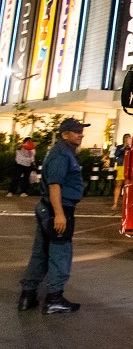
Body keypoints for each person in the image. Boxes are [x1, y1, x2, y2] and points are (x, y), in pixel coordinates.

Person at [18, 117, 89, 314]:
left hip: (47, 208)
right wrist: (59, 215)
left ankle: (28, 296)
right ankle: (54, 298)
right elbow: (55, 185)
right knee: (60, 253)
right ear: (65, 134)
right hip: (58, 208)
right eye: (76, 131)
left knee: (40, 253)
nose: (81, 134)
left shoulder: (61, 151)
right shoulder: (62, 154)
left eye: (81, 130)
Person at [110, 133, 131, 211]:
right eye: (126, 137)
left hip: (129, 166)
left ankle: (126, 203)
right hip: (121, 166)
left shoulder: (132, 147)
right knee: (118, 184)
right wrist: (123, 147)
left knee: (127, 185)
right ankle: (115, 203)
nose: (127, 139)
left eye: (129, 137)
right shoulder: (119, 147)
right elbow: (116, 155)